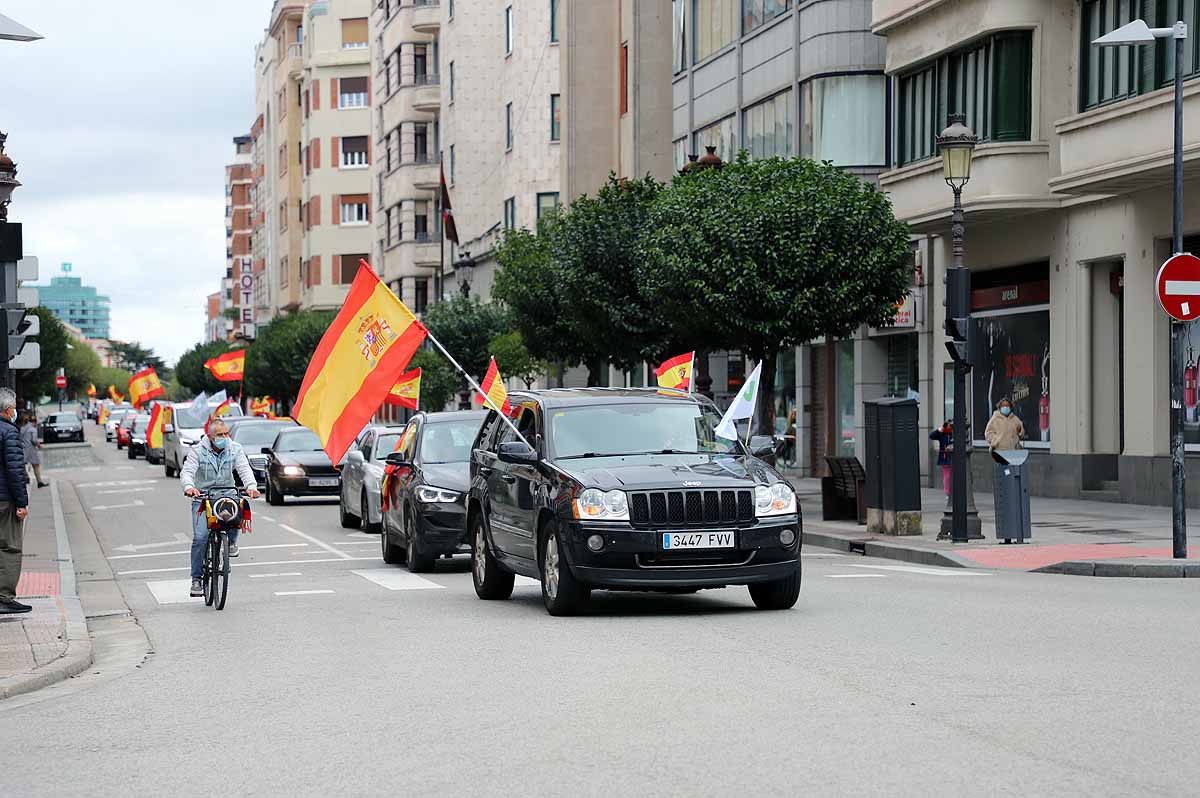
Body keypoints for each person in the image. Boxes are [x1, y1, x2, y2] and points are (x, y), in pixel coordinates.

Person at [180, 418, 259, 597]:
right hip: (203, 497)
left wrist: (251, 486)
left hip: (227, 494)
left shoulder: (235, 448)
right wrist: (189, 487)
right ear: (210, 436)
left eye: (226, 434)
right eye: (220, 435)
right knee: (200, 537)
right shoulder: (197, 451)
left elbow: (244, 469)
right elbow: (187, 472)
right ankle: (197, 579)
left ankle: (230, 542)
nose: (224, 438)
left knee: (237, 512)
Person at [0, 389, 31, 614]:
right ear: (7, 409)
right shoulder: (9, 432)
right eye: (14, 409)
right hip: (4, 500)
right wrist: (21, 503)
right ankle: (4, 597)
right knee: (9, 547)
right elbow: (15, 470)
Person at [19, 413, 48, 489]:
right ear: (35, 422)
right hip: (31, 450)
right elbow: (34, 440)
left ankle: (26, 477)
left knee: (23, 465)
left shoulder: (22, 428)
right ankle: (39, 482)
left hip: (23, 449)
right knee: (36, 466)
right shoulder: (32, 429)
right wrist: (39, 445)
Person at [929, 420, 953, 495]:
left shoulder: (954, 434)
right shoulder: (942, 434)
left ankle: (953, 491)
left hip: (954, 458)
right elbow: (931, 436)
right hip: (945, 458)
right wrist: (939, 430)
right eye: (948, 425)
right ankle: (947, 493)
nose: (949, 427)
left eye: (950, 425)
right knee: (947, 476)